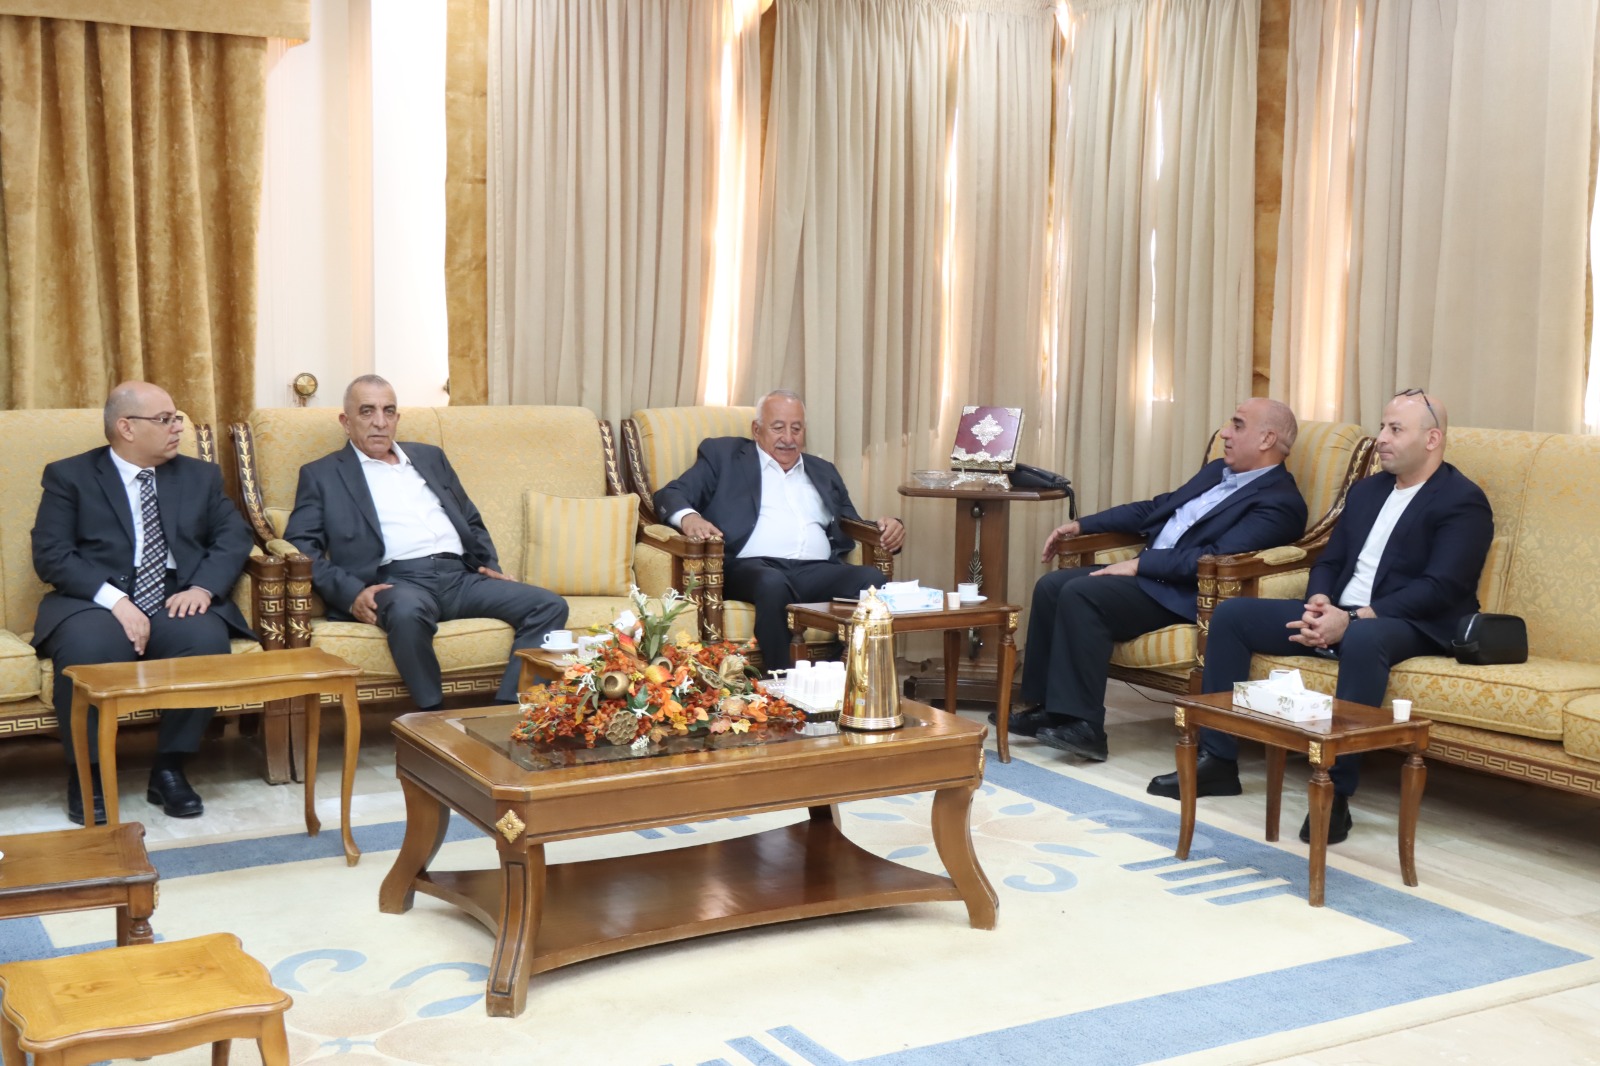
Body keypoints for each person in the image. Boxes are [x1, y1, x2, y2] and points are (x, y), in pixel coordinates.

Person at [1148, 389, 1492, 845]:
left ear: (1432, 440)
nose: (1382, 439)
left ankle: (1337, 792)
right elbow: (1329, 560)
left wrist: (1356, 618)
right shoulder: (1368, 491)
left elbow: (1442, 586)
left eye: (1395, 430)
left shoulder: (1461, 500)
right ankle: (1218, 760)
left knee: (1365, 639)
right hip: (1341, 611)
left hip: (1413, 622)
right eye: (1383, 427)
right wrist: (1319, 603)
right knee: (1233, 616)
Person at [1015, 398, 1308, 762]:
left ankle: (1086, 727)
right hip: (1151, 579)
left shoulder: (1281, 503)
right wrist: (1083, 525)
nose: (1225, 434)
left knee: (1082, 593)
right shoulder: (1216, 471)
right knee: (1051, 586)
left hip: (1183, 594)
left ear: (1266, 439)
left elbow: (1215, 557)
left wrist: (1141, 565)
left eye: (1237, 425)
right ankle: (1049, 709)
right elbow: (1157, 508)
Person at [31, 381, 256, 824]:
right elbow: (51, 553)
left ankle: (170, 768)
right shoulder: (70, 476)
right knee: (88, 648)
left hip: (176, 593)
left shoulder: (200, 476)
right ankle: (88, 774)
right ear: (126, 428)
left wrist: (203, 588)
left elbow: (234, 536)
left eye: (177, 418)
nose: (177, 428)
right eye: (165, 419)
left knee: (204, 641)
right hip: (96, 596)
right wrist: (116, 601)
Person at [283, 376, 568, 711]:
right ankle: (433, 717)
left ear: (397, 418)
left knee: (548, 605)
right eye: (367, 411)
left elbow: (470, 519)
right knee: (406, 613)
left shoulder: (430, 457)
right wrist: (351, 594)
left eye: (389, 411)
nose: (380, 422)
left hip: (461, 578)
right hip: (399, 582)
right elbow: (300, 548)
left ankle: (510, 712)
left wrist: (487, 565)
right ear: (346, 421)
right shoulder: (323, 474)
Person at [653, 389, 904, 670]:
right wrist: (689, 518)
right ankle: (783, 680)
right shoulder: (724, 456)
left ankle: (839, 672)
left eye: (796, 429)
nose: (788, 438)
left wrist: (888, 527)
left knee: (872, 581)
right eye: (778, 428)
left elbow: (851, 523)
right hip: (751, 567)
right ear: (757, 430)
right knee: (772, 583)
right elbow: (670, 493)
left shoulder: (823, 471)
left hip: (814, 571)